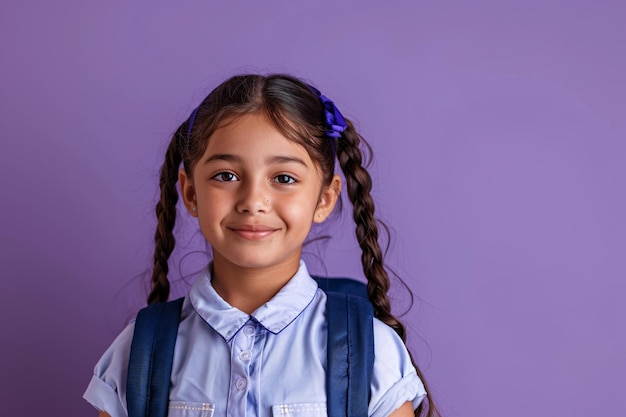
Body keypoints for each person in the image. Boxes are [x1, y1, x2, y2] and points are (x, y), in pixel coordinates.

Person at [84, 74, 439, 417]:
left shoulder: (372, 351)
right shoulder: (137, 351)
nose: (253, 201)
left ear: (325, 199)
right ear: (190, 192)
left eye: (284, 178)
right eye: (226, 176)